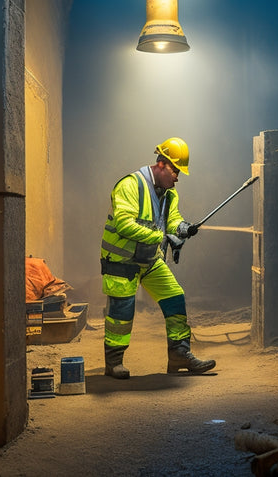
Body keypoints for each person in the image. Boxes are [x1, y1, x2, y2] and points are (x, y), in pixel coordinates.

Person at [100, 137, 216, 379]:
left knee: (175, 297)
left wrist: (184, 228)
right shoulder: (130, 185)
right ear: (162, 165)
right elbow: (124, 225)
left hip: (149, 260)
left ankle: (179, 356)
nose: (177, 177)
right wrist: (161, 236)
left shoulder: (170, 195)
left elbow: (171, 220)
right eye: (175, 170)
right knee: (121, 312)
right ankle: (113, 363)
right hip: (121, 262)